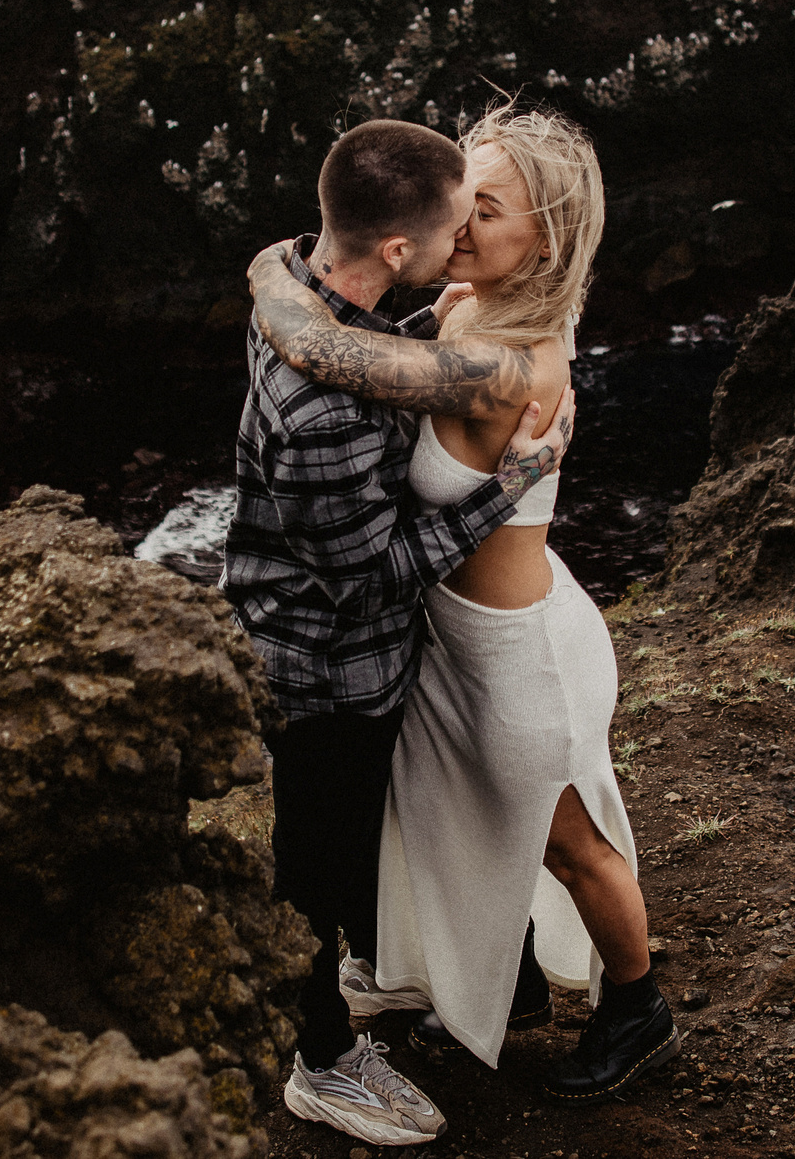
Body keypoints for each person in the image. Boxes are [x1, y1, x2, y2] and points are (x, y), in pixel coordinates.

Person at [244, 100, 679, 1106]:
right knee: (465, 818)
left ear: (545, 242)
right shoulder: (476, 308)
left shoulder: (499, 365)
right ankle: (490, 982)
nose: (456, 220)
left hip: (517, 654)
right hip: (458, 634)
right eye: (458, 199)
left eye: (484, 209)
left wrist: (269, 271)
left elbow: (325, 353)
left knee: (570, 843)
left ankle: (637, 1006)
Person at [224, 116, 578, 1148]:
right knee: (313, 863)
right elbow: (370, 577)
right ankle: (322, 1061)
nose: (463, 237)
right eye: (454, 222)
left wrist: (445, 319)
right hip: (324, 668)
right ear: (394, 246)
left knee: (356, 840)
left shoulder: (306, 285)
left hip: (354, 651)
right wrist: (511, 484)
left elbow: (377, 351)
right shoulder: (323, 413)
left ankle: (385, 974)